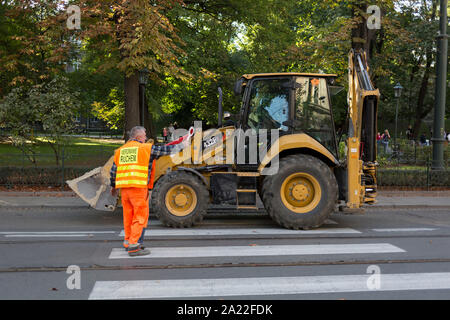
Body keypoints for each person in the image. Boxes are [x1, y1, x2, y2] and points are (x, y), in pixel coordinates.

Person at [110, 126, 190, 256]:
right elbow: (164, 150)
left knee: (128, 216)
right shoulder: (145, 148)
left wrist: (113, 186)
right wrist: (182, 146)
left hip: (124, 189)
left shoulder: (120, 151)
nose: (146, 138)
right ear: (138, 137)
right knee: (140, 217)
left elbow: (114, 170)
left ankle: (128, 241)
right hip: (138, 188)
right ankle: (134, 246)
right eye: (144, 135)